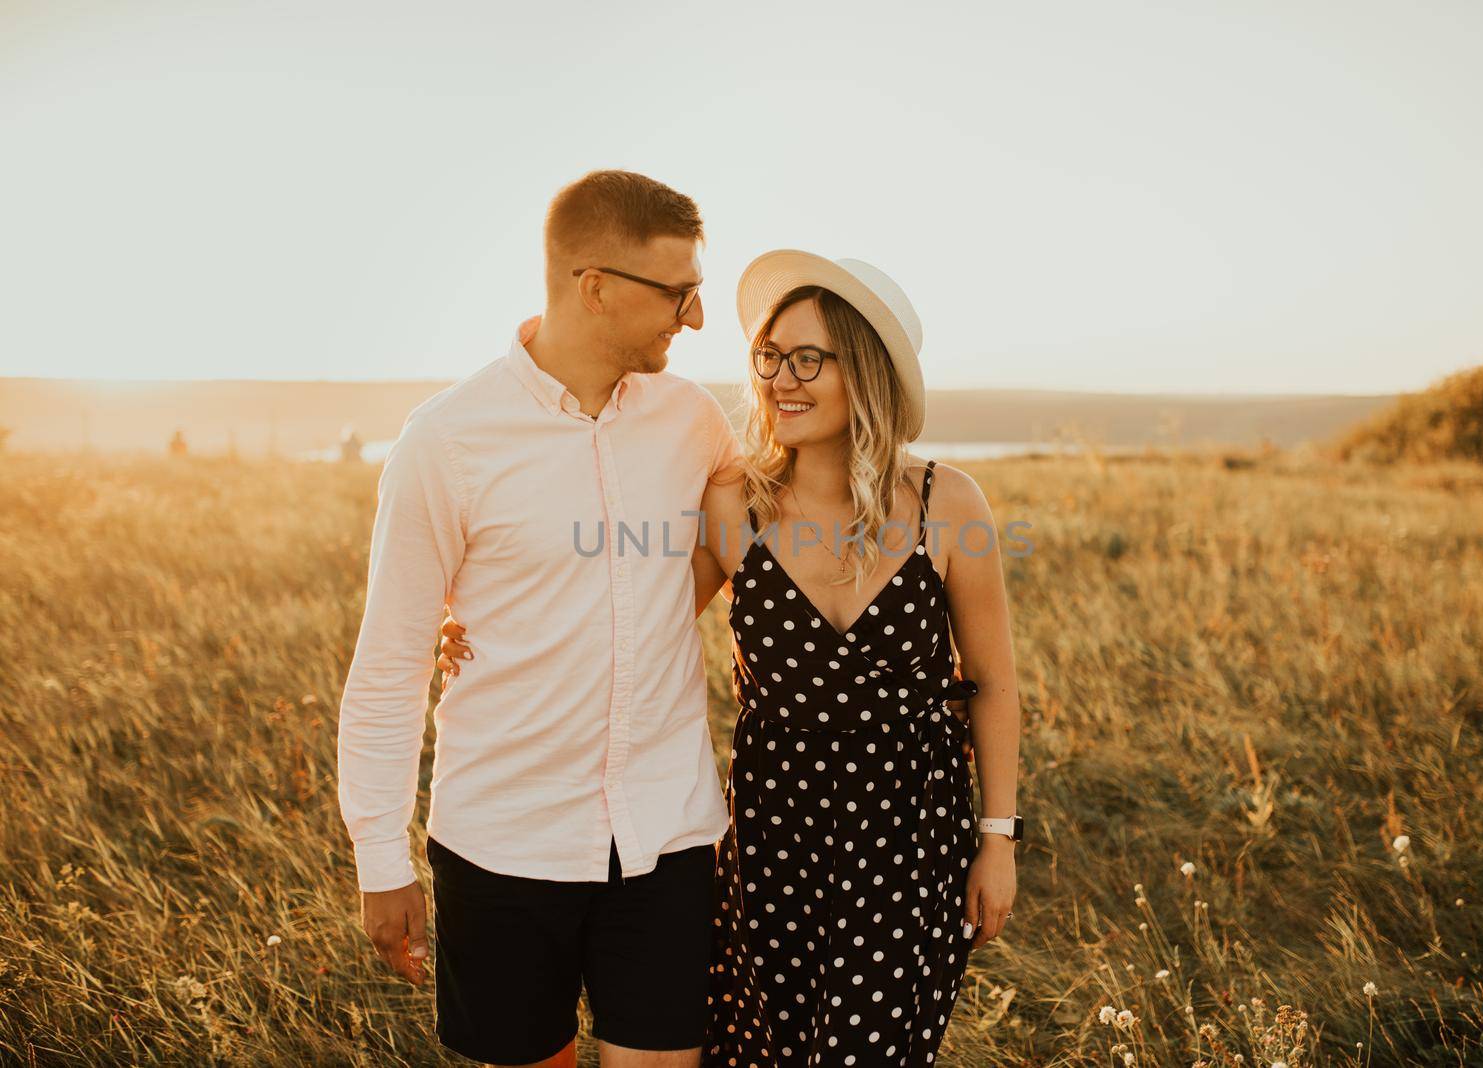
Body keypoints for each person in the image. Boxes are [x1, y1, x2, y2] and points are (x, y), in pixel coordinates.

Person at [438, 252, 1025, 1066]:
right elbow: (632, 622)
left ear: (868, 372)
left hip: (910, 841)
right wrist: (476, 617)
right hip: (770, 842)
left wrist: (998, 840)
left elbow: (993, 683)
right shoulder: (736, 505)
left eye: (809, 358)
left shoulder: (947, 505)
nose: (782, 378)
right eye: (770, 356)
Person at [336, 169, 742, 1068]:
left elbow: (733, 546)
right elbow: (391, 663)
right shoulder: (447, 440)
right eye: (678, 293)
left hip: (668, 836)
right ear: (592, 286)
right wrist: (380, 857)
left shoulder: (696, 421)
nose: (697, 317)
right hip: (502, 843)